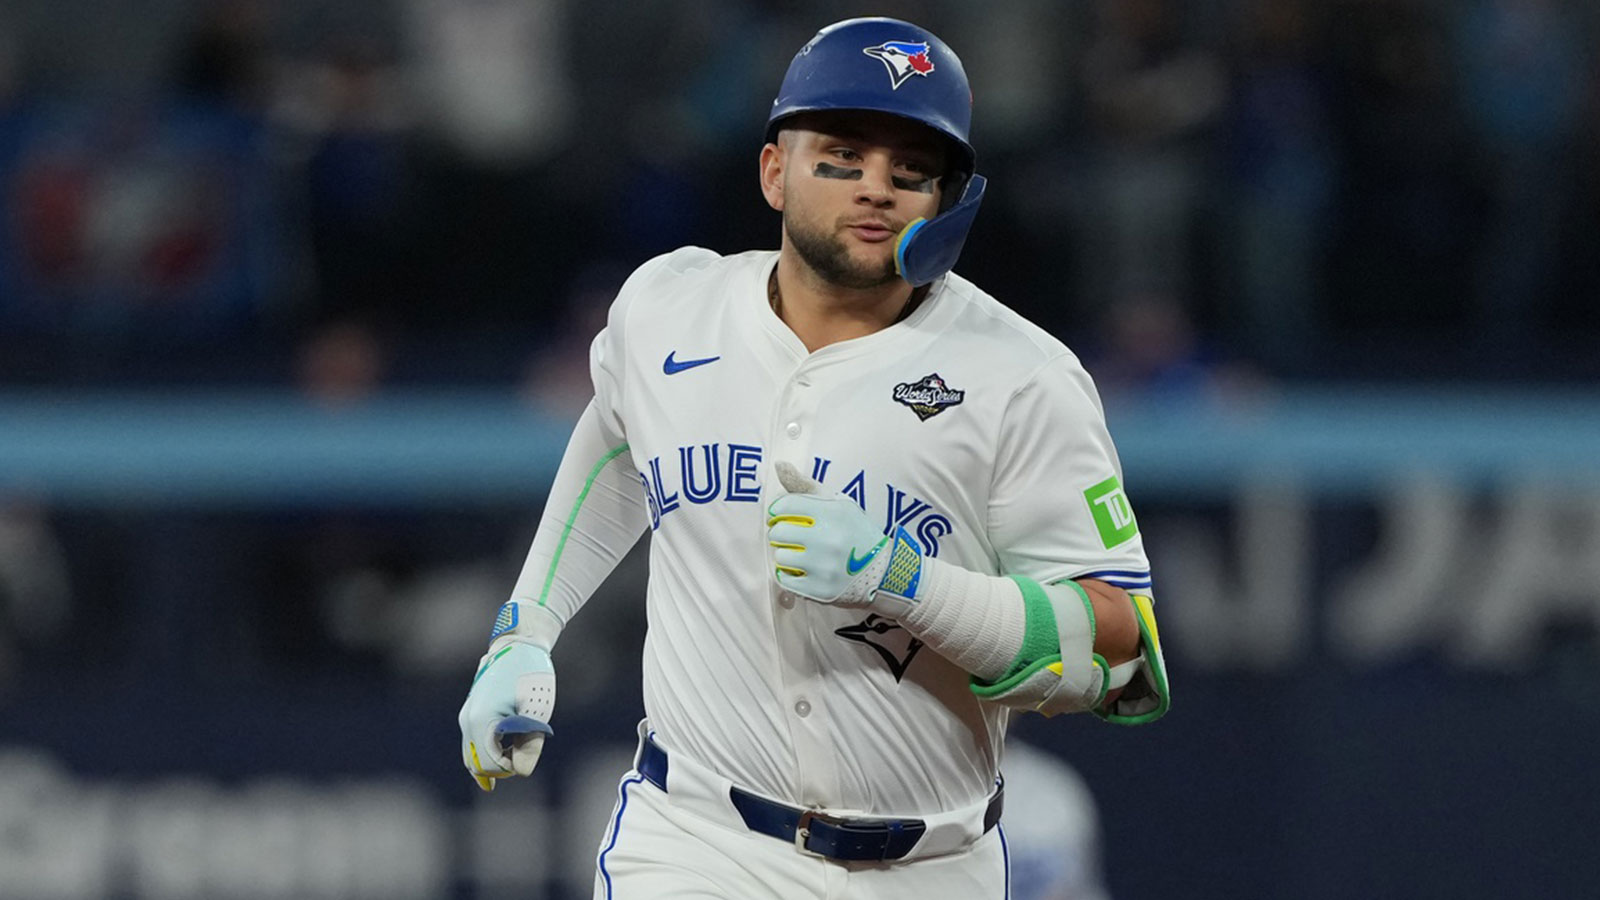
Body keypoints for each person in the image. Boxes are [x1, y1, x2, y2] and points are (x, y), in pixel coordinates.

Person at [457, 17, 1169, 899]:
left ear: (948, 200)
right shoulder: (671, 310)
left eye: (911, 171)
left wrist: (904, 579)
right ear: (775, 172)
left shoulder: (1020, 377)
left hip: (932, 865)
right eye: (842, 156)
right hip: (697, 841)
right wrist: (525, 631)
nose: (876, 188)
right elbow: (614, 444)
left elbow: (1116, 636)